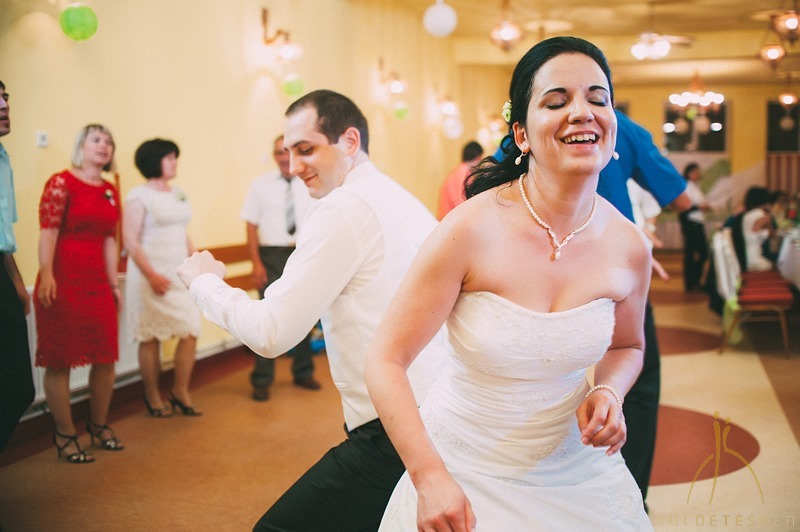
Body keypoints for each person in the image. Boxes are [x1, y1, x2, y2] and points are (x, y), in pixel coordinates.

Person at [366, 37, 652, 530]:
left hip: (579, 474)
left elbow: (628, 345)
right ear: (521, 133)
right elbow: (385, 360)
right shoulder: (467, 230)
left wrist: (608, 391)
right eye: (556, 102)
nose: (581, 112)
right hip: (464, 468)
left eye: (598, 98)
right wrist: (429, 477)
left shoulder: (630, 246)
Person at [177, 89, 446, 531]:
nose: (294, 165)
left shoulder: (345, 208)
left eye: (306, 149)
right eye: (288, 152)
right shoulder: (400, 197)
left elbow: (272, 332)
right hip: (440, 406)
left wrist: (205, 283)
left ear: (350, 141)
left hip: (395, 427)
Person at [600, 110, 690, 509]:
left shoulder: (526, 123)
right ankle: (629, 494)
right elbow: (681, 199)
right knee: (637, 381)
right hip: (618, 265)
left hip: (543, 268)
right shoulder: (619, 125)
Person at [35, 124, 124, 463]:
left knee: (105, 356)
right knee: (60, 358)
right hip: (63, 279)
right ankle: (65, 433)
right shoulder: (61, 182)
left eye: (109, 141)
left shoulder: (109, 189)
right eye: (96, 139)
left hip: (98, 282)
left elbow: (110, 239)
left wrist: (113, 284)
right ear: (81, 146)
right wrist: (46, 273)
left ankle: (99, 426)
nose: (104, 145)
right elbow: (48, 231)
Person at [123, 138, 202, 417]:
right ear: (154, 161)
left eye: (174, 157)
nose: (174, 162)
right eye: (169, 158)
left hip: (177, 275)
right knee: (150, 336)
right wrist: (152, 275)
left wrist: (196, 262)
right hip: (149, 276)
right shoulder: (138, 196)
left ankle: (180, 390)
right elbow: (131, 240)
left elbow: (182, 232)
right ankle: (153, 395)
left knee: (190, 330)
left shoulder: (178, 194)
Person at [241, 135, 319, 402]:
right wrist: (256, 263)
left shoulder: (310, 182)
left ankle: (303, 372)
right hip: (271, 255)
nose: (284, 158)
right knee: (268, 317)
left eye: (287, 152)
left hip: (302, 252)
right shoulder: (260, 186)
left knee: (304, 315)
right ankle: (262, 379)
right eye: (278, 153)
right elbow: (251, 225)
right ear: (274, 156)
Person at [0, 80, 35, 452]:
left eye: (5, 95)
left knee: (19, 387)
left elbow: (3, 233)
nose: (4, 104)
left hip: (3, 273)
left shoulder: (3, 158)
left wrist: (16, 281)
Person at [679, 162, 709, 292]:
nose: (698, 174)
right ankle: (691, 282)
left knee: (701, 253)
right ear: (689, 173)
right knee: (695, 253)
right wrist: (699, 207)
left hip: (697, 222)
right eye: (695, 172)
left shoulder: (695, 187)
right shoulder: (686, 186)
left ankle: (694, 281)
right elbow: (683, 206)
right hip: (691, 223)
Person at [437, 140, 483, 219]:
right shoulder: (464, 174)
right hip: (451, 219)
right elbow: (462, 202)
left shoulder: (459, 170)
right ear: (477, 156)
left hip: (446, 217)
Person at [740, 186, 776, 271]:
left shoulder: (746, 215)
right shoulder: (763, 216)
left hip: (743, 258)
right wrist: (769, 215)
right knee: (778, 266)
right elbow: (772, 235)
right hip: (754, 261)